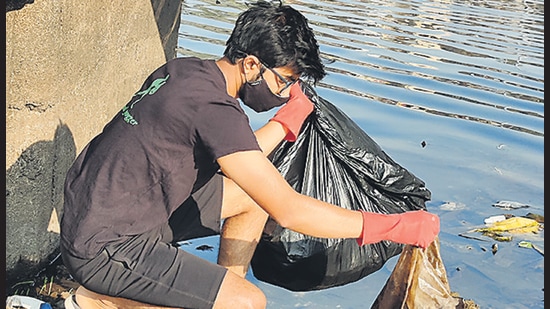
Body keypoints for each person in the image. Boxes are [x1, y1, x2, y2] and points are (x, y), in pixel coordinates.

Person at [60, 1, 440, 308]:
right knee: (249, 303)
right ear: (252, 64)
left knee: (251, 201)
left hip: (101, 212)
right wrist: (390, 226)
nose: (286, 91)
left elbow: (242, 158)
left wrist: (287, 121)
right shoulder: (214, 108)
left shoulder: (187, 72)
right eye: (285, 81)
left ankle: (219, 293)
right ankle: (92, 302)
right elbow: (289, 209)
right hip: (105, 245)